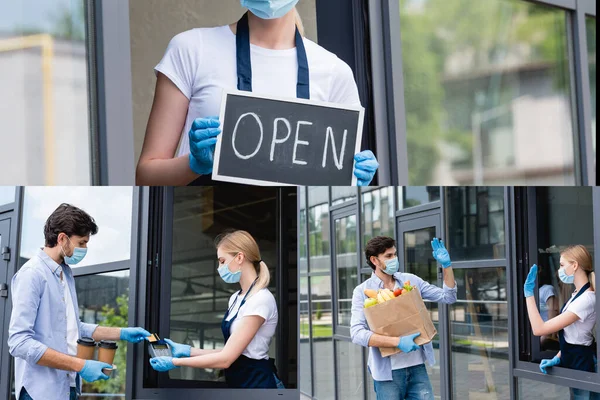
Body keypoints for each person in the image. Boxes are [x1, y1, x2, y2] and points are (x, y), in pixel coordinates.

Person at [135, 0, 379, 186]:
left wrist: (353, 184)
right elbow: (146, 175)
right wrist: (194, 164)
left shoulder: (335, 72)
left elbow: (334, 179)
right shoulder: (191, 49)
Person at [8, 204, 151, 400]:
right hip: (41, 392)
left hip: (69, 387)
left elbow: (73, 327)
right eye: (82, 243)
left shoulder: (65, 274)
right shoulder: (32, 274)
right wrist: (81, 365)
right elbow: (19, 342)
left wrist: (122, 333)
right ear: (62, 238)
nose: (85, 248)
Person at [149, 230, 283, 389]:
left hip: (260, 386)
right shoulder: (235, 299)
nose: (219, 267)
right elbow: (230, 351)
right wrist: (188, 351)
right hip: (240, 385)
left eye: (222, 260)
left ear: (239, 257)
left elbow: (226, 359)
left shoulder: (260, 299)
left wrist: (175, 361)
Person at [350, 236, 457, 400]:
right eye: (388, 256)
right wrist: (398, 342)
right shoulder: (362, 291)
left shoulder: (411, 281)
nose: (394, 259)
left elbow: (448, 297)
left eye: (394, 254)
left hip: (417, 368)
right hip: (388, 374)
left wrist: (446, 266)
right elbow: (357, 333)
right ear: (374, 260)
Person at [524, 245, 598, 400]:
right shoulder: (576, 295)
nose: (559, 270)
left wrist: (529, 294)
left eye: (562, 265)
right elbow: (574, 334)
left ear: (575, 265)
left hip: (583, 365)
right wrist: (558, 356)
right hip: (575, 361)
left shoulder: (586, 299)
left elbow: (539, 329)